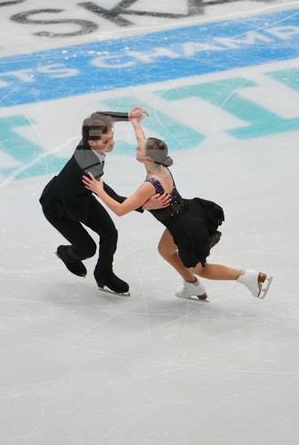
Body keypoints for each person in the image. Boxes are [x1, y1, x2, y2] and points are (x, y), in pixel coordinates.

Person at [83, 114, 271, 301]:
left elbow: (120, 209)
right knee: (165, 251)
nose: (136, 146)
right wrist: (134, 123)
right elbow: (143, 140)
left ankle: (247, 277)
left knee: (200, 268)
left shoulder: (149, 184)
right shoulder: (158, 164)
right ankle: (192, 286)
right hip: (184, 215)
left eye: (139, 149)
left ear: (147, 158)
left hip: (187, 226)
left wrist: (99, 189)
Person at [40, 107, 170, 296]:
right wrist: (145, 205)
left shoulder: (91, 133)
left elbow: (101, 116)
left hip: (81, 197)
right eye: (106, 141)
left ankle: (104, 274)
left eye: (111, 137)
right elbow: (113, 198)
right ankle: (66, 254)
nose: (112, 143)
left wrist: (128, 116)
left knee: (109, 233)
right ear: (91, 143)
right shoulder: (89, 166)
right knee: (88, 249)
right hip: (57, 207)